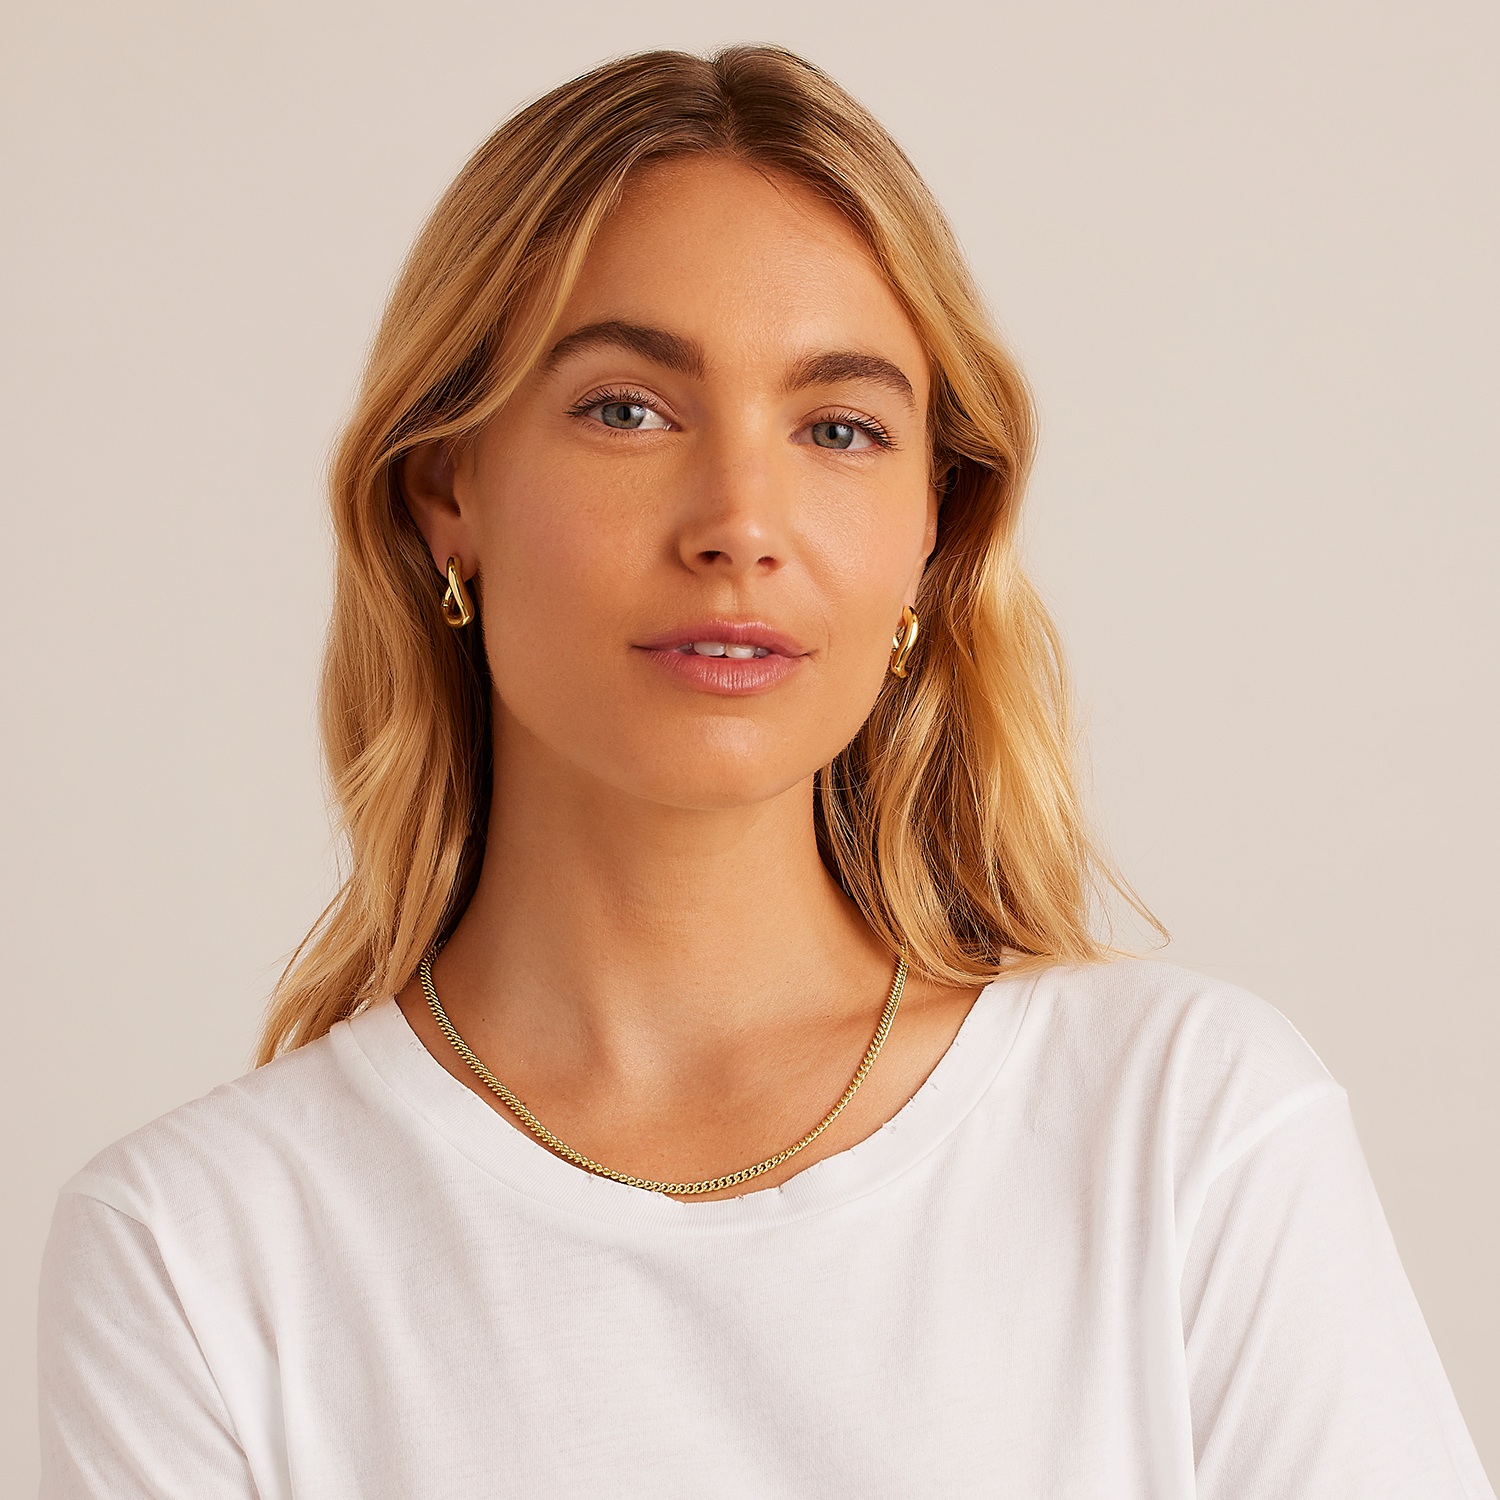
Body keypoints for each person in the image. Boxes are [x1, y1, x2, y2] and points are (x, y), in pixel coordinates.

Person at [37, 44, 1492, 1499]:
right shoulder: (195, 1254)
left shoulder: (1183, 1129)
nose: (740, 522)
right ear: (446, 490)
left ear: (931, 527)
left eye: (839, 428)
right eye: (628, 409)